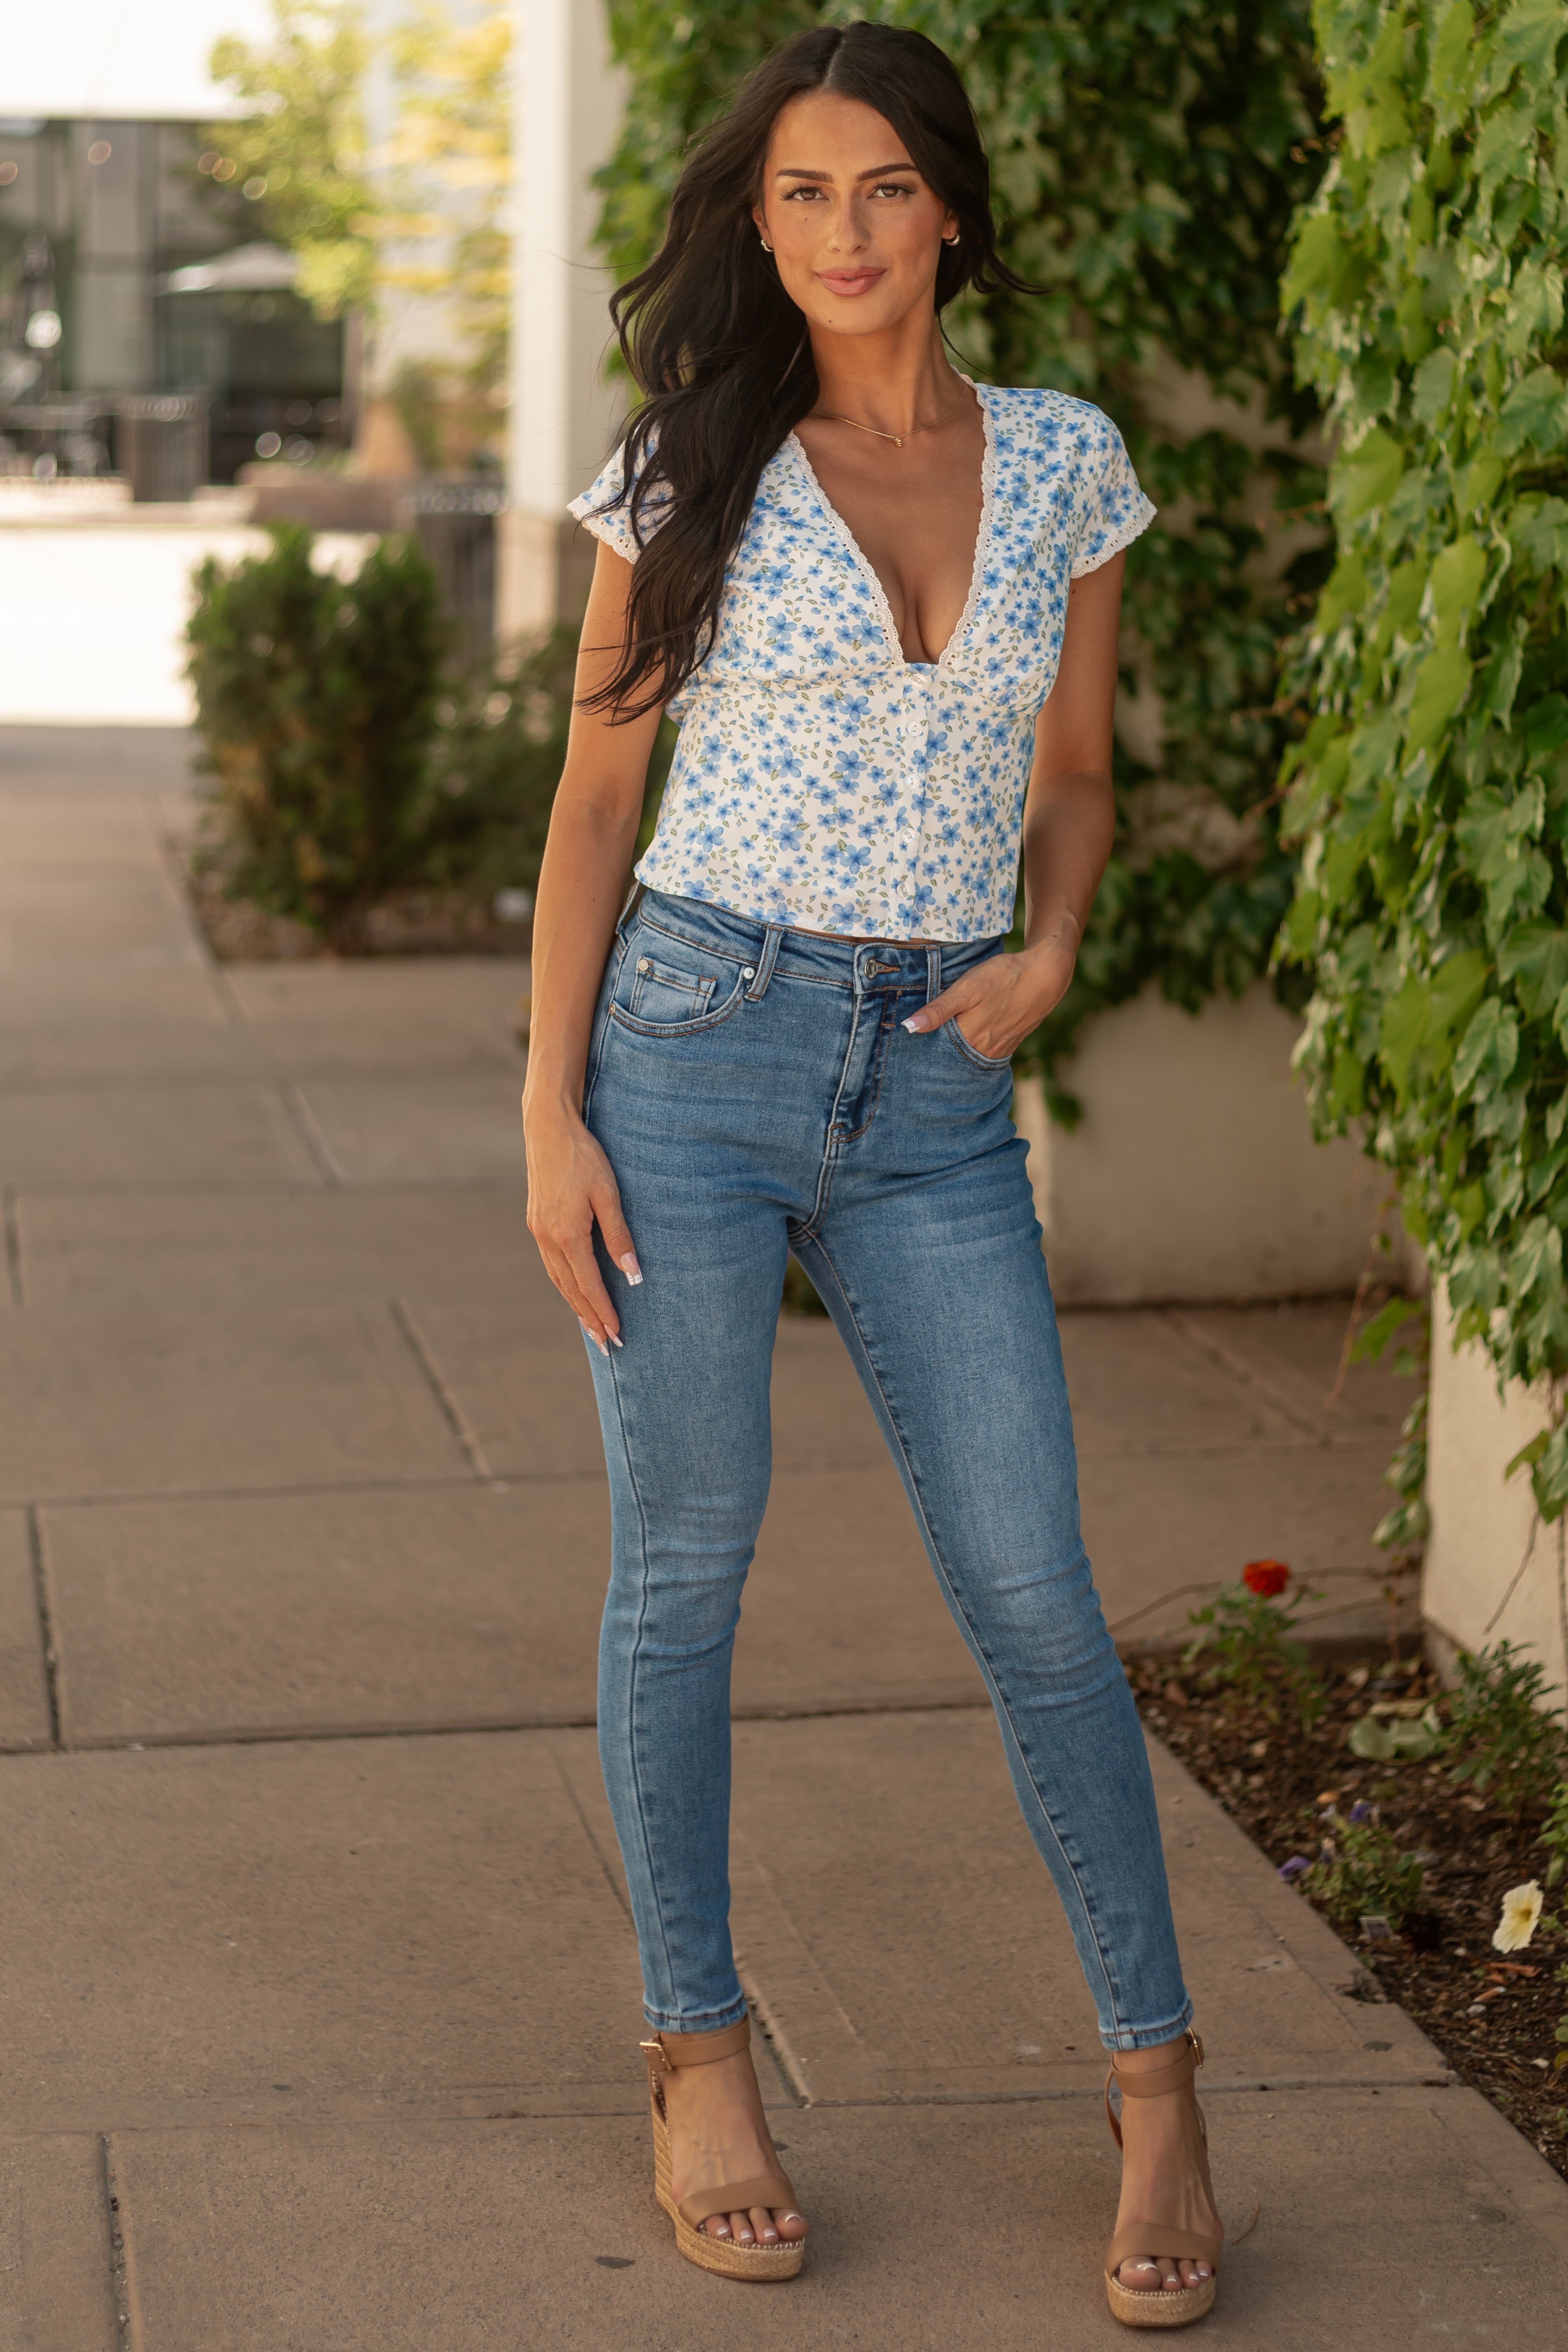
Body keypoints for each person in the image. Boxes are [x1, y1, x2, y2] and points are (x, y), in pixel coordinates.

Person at [521, 19, 1227, 2328]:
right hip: (692, 1061)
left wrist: (1050, 948)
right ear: (759, 219)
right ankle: (698, 2057)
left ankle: (1154, 2090)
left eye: (882, 190)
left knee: (1035, 1601)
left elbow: (1076, 776)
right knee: (685, 1584)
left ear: (948, 209)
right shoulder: (691, 471)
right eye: (802, 194)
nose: (842, 234)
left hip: (930, 1091)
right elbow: (595, 812)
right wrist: (547, 1117)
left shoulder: (1061, 468)